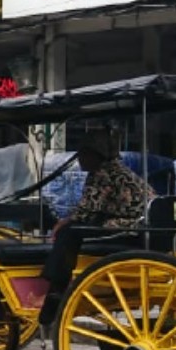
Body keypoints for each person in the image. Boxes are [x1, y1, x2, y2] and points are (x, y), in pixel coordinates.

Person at [38, 130, 154, 326]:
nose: (80, 160)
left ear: (94, 155)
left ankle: (56, 286)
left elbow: (86, 210)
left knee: (69, 233)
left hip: (130, 228)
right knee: (75, 229)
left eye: (83, 155)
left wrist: (62, 223)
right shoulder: (117, 169)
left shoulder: (102, 173)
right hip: (141, 227)